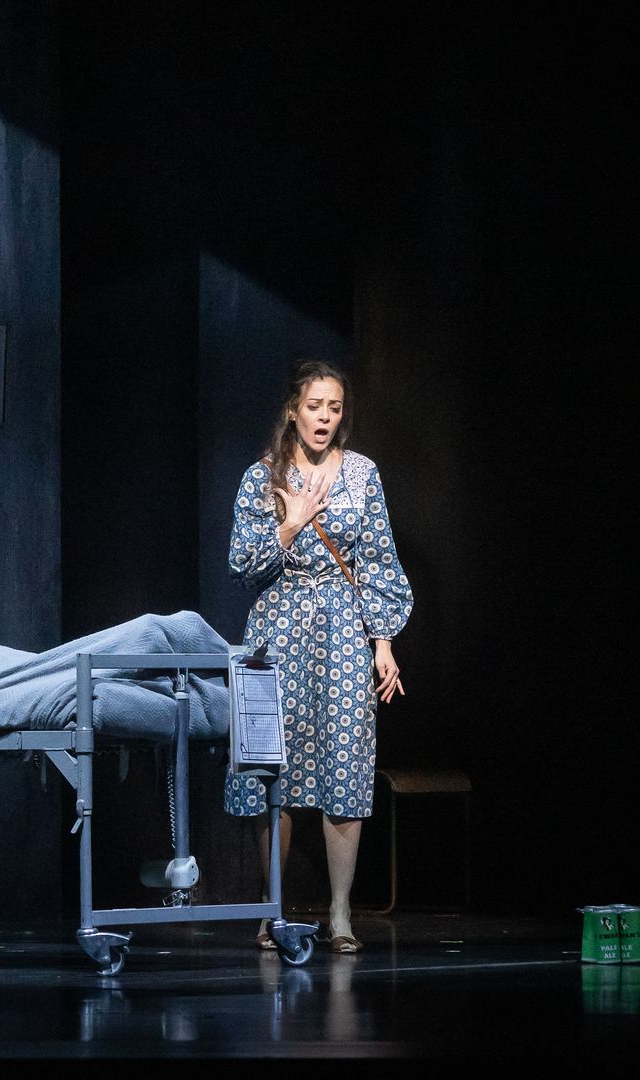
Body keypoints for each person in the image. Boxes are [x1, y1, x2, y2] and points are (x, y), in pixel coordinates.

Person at [223, 360, 413, 955]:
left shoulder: (362, 475)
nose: (325, 417)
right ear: (293, 411)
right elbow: (241, 562)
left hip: (343, 636)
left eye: (334, 407)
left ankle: (339, 913)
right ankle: (271, 907)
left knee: (345, 767)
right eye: (314, 406)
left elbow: (378, 560)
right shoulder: (263, 477)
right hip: (276, 632)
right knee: (269, 769)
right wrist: (292, 524)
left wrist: (382, 643)